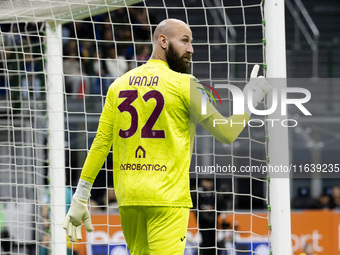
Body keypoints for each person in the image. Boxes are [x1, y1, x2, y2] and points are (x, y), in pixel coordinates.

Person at [63, 18, 271, 255]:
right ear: (163, 41)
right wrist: (250, 97)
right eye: (185, 41)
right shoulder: (186, 84)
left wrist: (80, 196)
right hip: (167, 198)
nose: (191, 49)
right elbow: (226, 132)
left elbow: (101, 143)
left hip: (129, 198)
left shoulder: (118, 85)